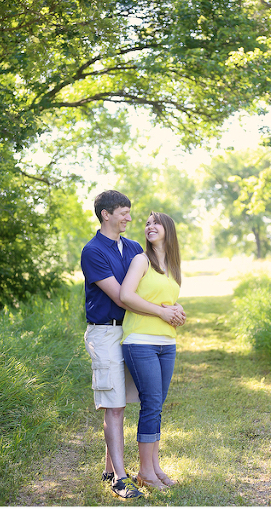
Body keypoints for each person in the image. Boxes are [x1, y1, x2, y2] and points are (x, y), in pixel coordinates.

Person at [81, 191, 185, 499]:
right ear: (106, 215)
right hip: (106, 332)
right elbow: (121, 296)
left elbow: (150, 289)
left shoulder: (135, 247)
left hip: (130, 332)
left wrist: (173, 307)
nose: (129, 218)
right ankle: (120, 478)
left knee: (128, 401)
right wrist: (163, 312)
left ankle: (111, 466)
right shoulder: (93, 251)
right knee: (115, 407)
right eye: (124, 213)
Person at [119, 211, 185, 490]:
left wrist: (178, 310)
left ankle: (155, 467)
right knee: (150, 404)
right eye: (147, 223)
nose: (150, 226)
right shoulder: (140, 260)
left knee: (156, 406)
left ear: (168, 229)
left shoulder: (171, 266)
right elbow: (126, 295)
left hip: (166, 343)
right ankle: (145, 471)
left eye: (155, 222)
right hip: (140, 341)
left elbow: (165, 302)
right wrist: (161, 312)